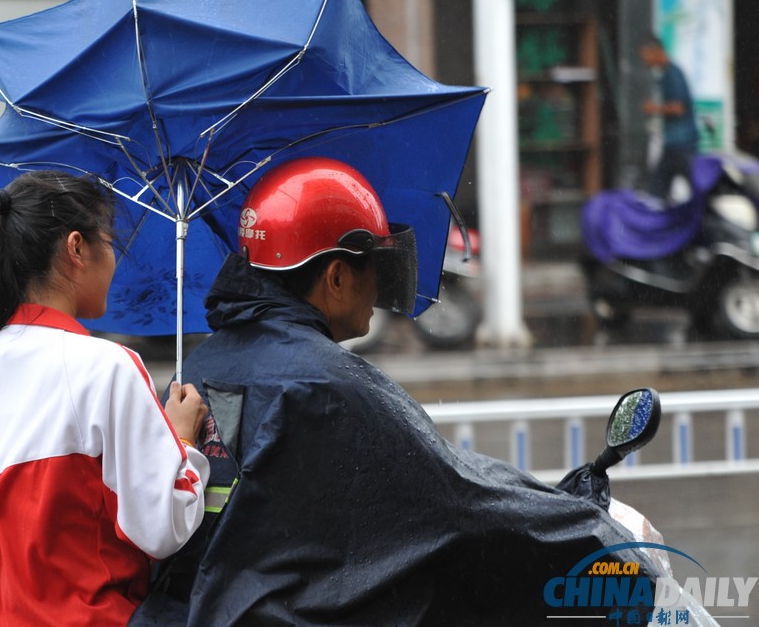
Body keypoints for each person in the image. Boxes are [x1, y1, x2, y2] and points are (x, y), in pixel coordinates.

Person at [131, 157, 660, 626]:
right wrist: (594, 532)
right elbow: (461, 499)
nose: (380, 286)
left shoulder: (199, 368)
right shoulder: (327, 383)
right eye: (374, 267)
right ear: (336, 277)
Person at [0, 170, 210, 626]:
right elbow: (162, 528)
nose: (116, 262)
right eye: (110, 243)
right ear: (77, 248)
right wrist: (185, 444)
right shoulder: (107, 366)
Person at [639, 35, 701, 200]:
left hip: (681, 144)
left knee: (662, 188)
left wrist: (654, 108)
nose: (645, 61)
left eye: (646, 56)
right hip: (674, 144)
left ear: (657, 51)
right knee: (658, 188)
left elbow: (679, 108)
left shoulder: (673, 74)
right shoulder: (665, 74)